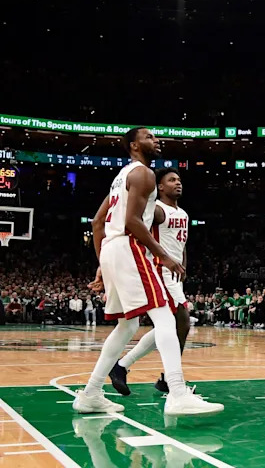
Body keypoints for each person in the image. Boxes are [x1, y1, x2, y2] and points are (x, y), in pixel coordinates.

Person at [75, 128, 221, 416]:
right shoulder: (143, 174)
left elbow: (97, 223)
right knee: (165, 318)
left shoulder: (120, 178)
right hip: (129, 247)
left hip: (112, 249)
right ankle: (177, 393)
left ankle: (91, 392)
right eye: (149, 137)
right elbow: (131, 221)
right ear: (134, 145)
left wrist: (103, 263)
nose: (157, 141)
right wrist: (162, 255)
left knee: (127, 326)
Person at [108, 169, 191, 395]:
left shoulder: (183, 214)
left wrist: (183, 265)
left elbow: (181, 244)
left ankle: (122, 366)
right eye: (172, 180)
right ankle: (169, 379)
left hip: (174, 274)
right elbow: (134, 223)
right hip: (158, 269)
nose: (177, 183)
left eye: (179, 180)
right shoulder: (156, 210)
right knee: (182, 321)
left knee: (168, 326)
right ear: (160, 187)